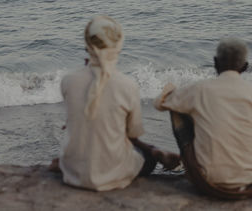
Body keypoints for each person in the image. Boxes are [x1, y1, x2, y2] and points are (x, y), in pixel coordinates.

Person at [49, 15, 180, 191]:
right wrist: (153, 150)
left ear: (87, 45)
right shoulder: (128, 85)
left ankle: (66, 163)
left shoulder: (68, 81)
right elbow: (132, 136)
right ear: (118, 46)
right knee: (147, 159)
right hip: (112, 175)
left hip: (74, 174)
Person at [154, 38, 252, 199]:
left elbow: (160, 104)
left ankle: (187, 163)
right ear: (245, 66)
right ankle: (246, 163)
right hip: (250, 180)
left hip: (206, 182)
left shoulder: (200, 90)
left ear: (215, 62)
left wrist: (170, 88)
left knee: (177, 108)